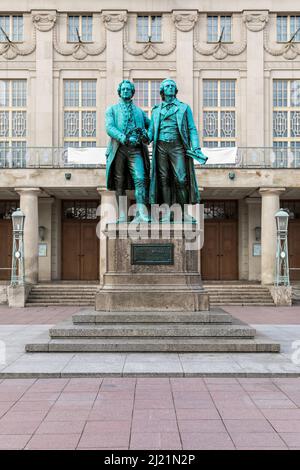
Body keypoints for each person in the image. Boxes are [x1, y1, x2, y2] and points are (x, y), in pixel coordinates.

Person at [148, 78, 207, 222]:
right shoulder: (156, 110)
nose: (170, 88)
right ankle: (168, 212)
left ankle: (183, 212)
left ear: (175, 90)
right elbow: (151, 132)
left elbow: (192, 129)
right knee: (164, 180)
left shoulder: (184, 107)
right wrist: (142, 136)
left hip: (177, 146)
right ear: (162, 91)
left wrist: (196, 147)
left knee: (181, 179)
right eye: (167, 86)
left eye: (172, 86)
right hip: (161, 147)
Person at [105, 80, 151, 223]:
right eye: (123, 89)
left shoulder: (139, 112)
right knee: (119, 182)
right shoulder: (112, 109)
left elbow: (151, 127)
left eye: (128, 89)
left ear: (132, 92)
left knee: (140, 179)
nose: (125, 91)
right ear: (120, 92)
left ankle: (141, 213)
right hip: (119, 149)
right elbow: (110, 128)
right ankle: (123, 215)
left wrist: (146, 135)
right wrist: (123, 138)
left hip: (135, 150)